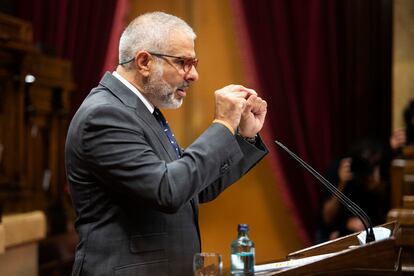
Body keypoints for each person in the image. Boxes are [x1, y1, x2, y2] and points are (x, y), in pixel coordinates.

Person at [65, 11, 268, 276]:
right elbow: (168, 190)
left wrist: (243, 137)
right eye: (183, 62)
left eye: (194, 63)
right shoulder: (104, 115)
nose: (194, 75)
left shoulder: (140, 111)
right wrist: (223, 125)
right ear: (144, 62)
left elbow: (194, 187)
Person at [317, 139, 390, 242]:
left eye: (373, 163)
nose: (368, 168)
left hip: (367, 230)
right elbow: (327, 218)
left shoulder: (379, 173)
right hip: (334, 231)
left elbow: (382, 213)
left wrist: (375, 182)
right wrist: (342, 184)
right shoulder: (339, 169)